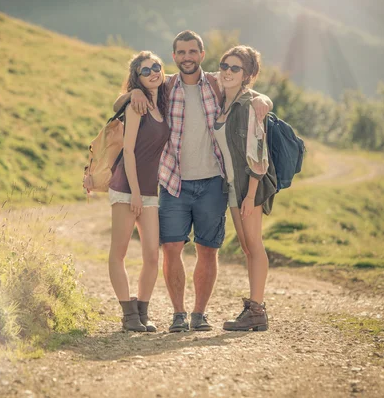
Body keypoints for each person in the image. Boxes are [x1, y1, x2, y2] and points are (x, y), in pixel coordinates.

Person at [114, 31, 272, 332]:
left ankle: (199, 314)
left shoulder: (215, 82)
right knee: (172, 248)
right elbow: (122, 102)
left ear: (201, 55)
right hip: (174, 183)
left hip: (213, 182)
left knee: (207, 249)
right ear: (174, 57)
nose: (187, 57)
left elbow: (248, 93)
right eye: (181, 52)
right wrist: (131, 93)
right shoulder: (165, 85)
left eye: (192, 51)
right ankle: (178, 314)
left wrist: (265, 97)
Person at [213, 46, 277, 331]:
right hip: (232, 186)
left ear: (247, 75)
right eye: (224, 65)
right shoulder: (222, 99)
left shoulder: (249, 105)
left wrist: (251, 196)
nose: (227, 71)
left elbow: (258, 155)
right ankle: (254, 309)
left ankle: (257, 309)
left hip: (248, 187)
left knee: (254, 246)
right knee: (246, 248)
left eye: (235, 68)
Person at [107, 51, 171, 332]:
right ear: (137, 78)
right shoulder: (136, 106)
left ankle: (142, 312)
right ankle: (128, 315)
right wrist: (134, 192)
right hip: (126, 188)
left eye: (156, 67)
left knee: (152, 256)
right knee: (118, 252)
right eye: (145, 71)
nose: (153, 72)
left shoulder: (162, 102)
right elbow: (129, 151)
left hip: (150, 190)